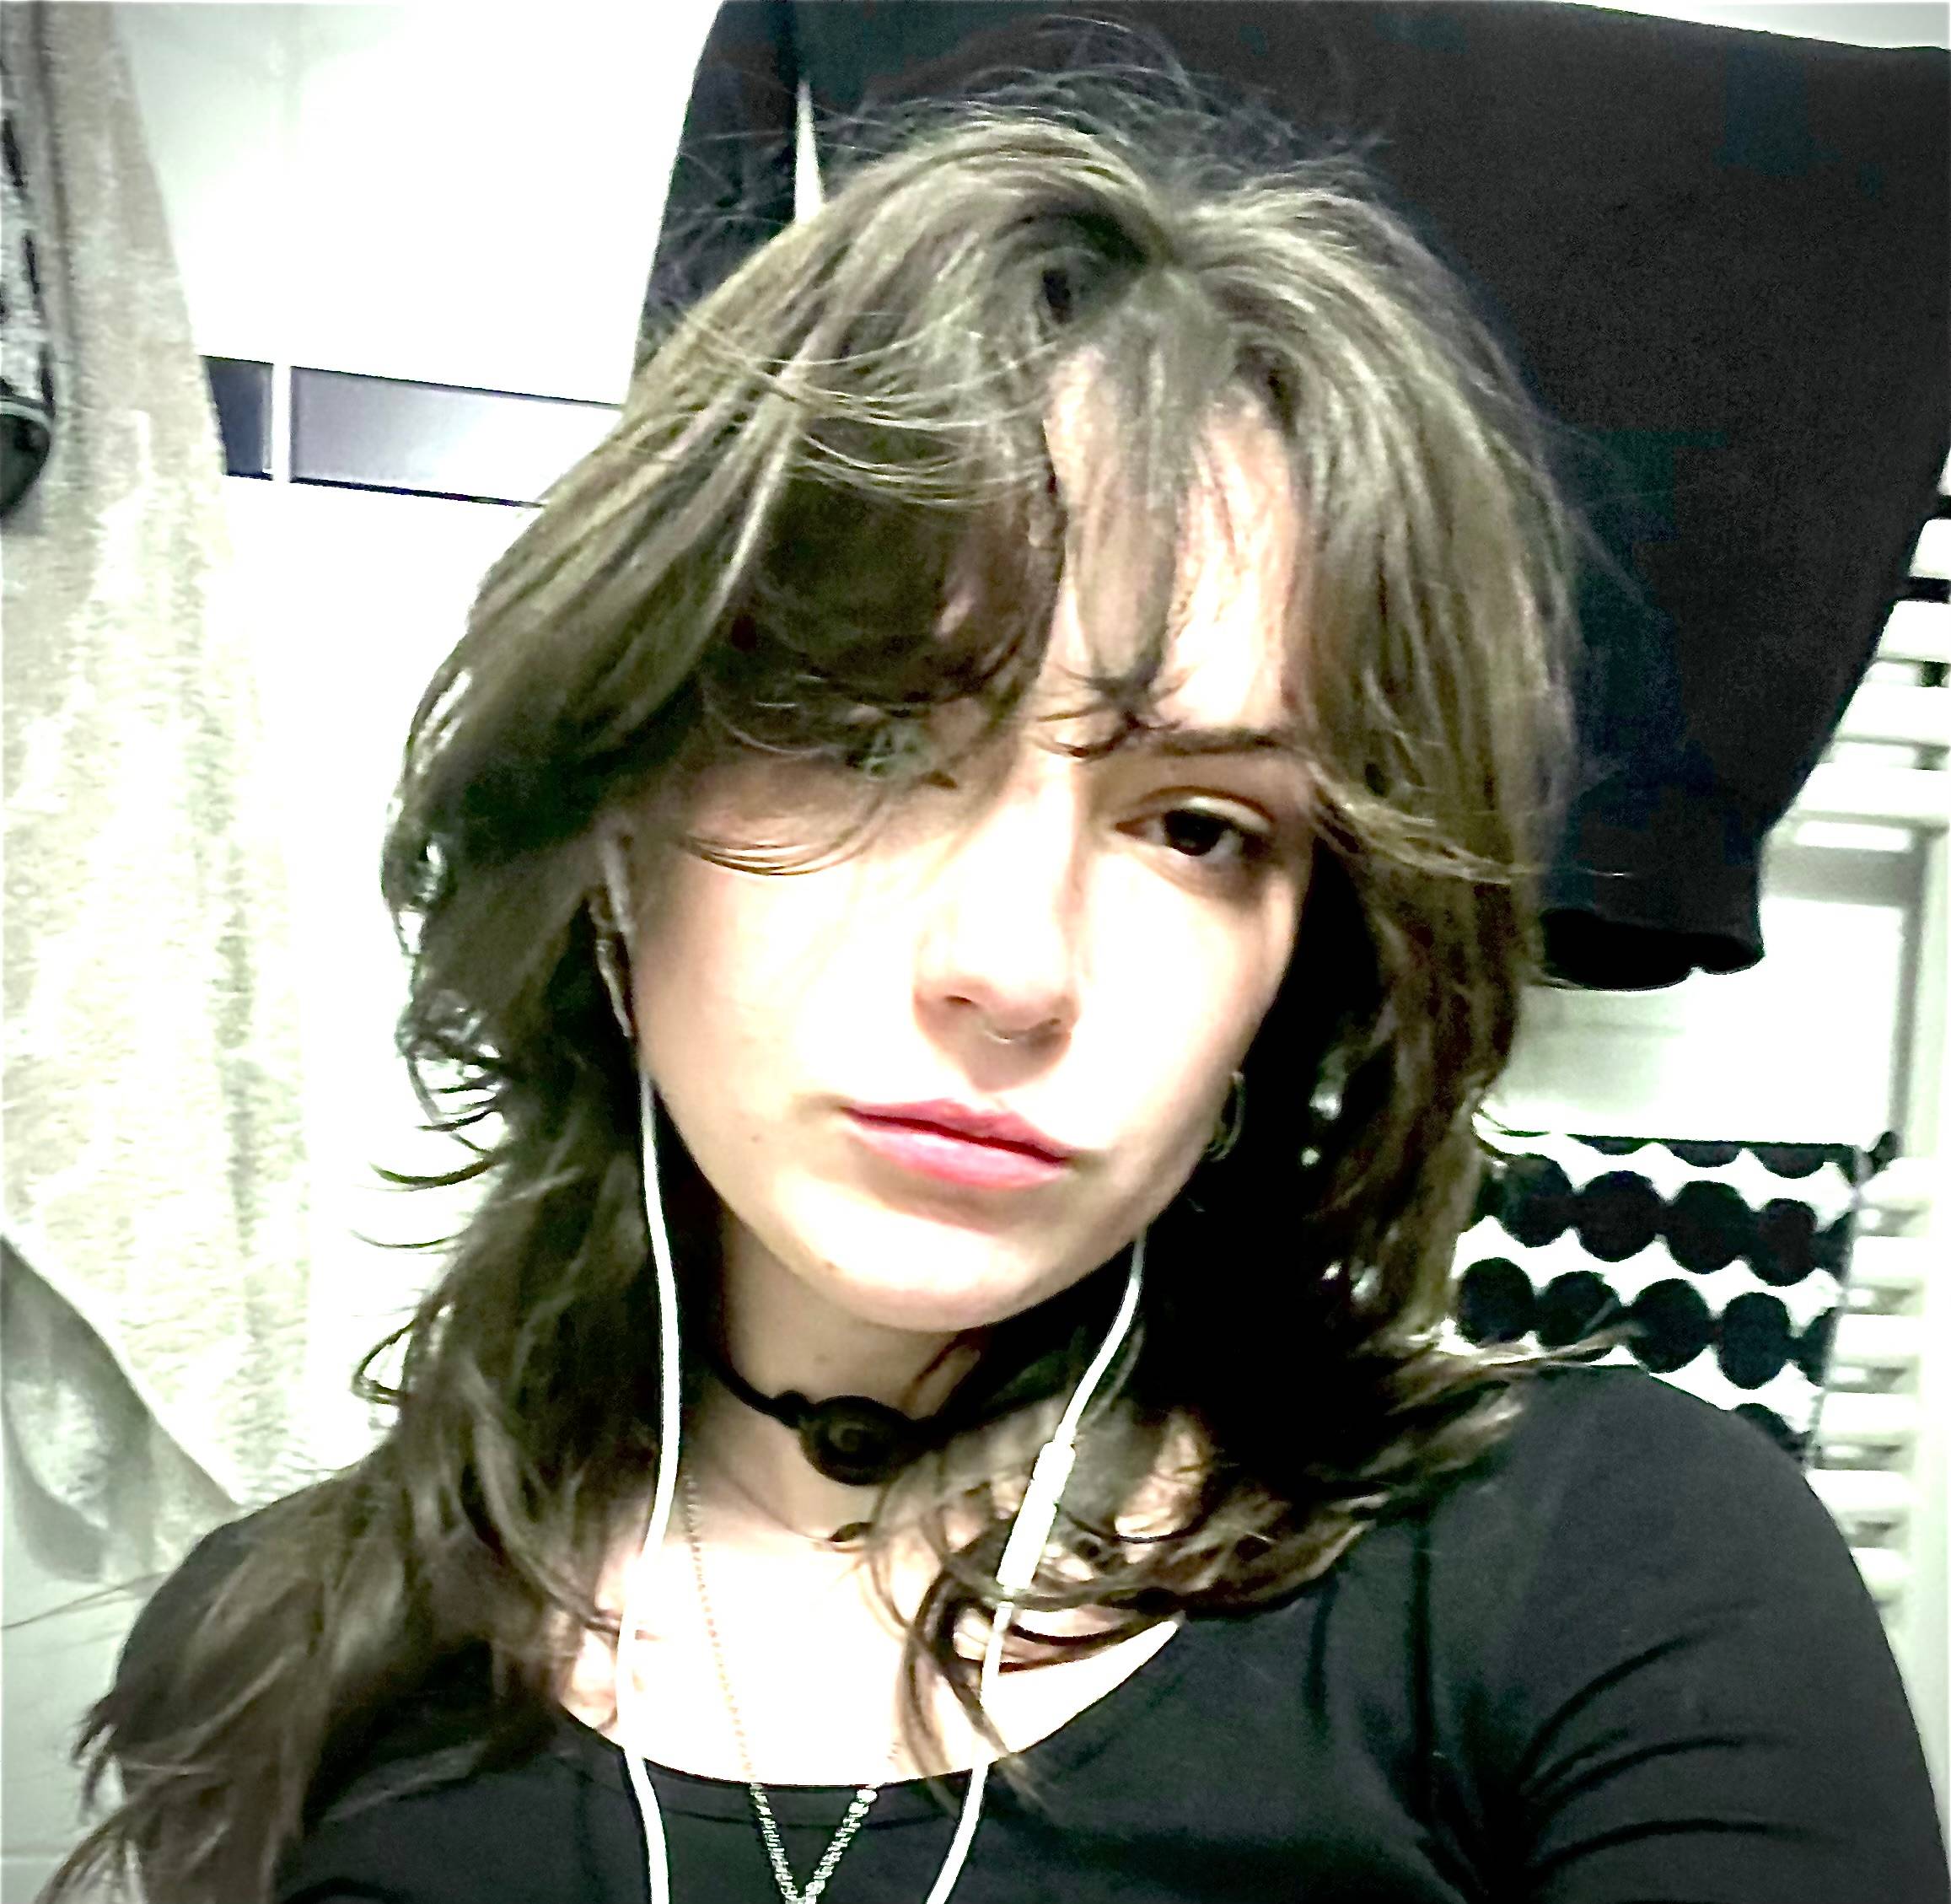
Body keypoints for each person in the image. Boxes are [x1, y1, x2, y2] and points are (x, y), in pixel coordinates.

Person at [45, 64, 1948, 1904]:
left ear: (1297, 966)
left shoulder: (1608, 1577)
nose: (1012, 968)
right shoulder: (279, 1646)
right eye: (866, 741)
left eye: (1196, 826)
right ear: (615, 833)